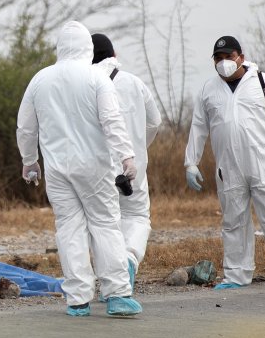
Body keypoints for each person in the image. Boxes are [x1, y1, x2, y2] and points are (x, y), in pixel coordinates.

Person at [17, 21, 142, 318]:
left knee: (69, 229)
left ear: (60, 47)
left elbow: (25, 126)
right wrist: (126, 156)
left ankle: (77, 299)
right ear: (87, 47)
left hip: (58, 169)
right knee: (105, 225)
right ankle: (117, 294)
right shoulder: (97, 78)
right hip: (95, 167)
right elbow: (112, 121)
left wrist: (29, 161)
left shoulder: (40, 79)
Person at [183, 36, 265, 289]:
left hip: (264, 162)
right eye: (219, 58)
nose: (224, 62)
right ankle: (237, 274)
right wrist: (191, 162)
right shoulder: (208, 90)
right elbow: (198, 127)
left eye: (229, 57)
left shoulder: (263, 83)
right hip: (228, 167)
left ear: (241, 57)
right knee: (233, 221)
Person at [91, 33, 162, 290]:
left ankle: (109, 278)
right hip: (132, 167)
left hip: (96, 170)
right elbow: (155, 122)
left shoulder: (86, 85)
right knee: (137, 216)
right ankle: (130, 258)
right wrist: (139, 149)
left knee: (102, 223)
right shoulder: (135, 83)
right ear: (114, 56)